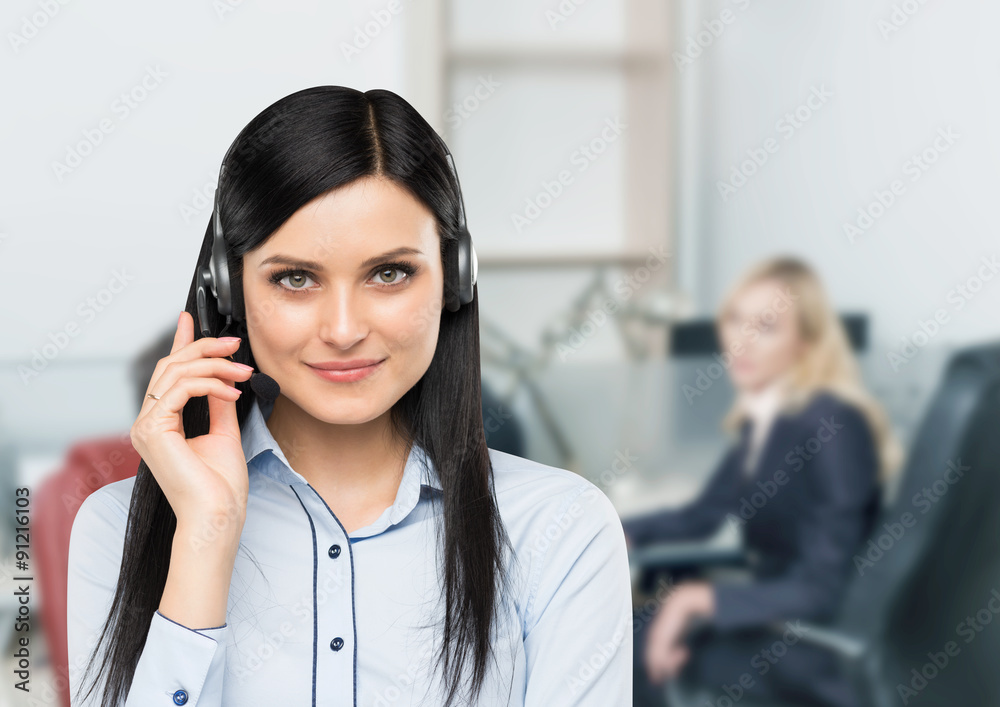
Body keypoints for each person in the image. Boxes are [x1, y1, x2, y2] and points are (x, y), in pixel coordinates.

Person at [67, 86, 632, 706]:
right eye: (295, 278)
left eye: (388, 273)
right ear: (228, 290)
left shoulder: (560, 529)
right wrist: (205, 537)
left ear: (454, 277)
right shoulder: (115, 532)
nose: (342, 330)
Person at [625, 257, 902, 707]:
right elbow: (701, 516)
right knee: (628, 634)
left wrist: (693, 600)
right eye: (735, 320)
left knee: (633, 652)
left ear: (807, 344)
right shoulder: (768, 419)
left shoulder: (833, 424)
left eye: (767, 326)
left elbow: (821, 586)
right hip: (775, 613)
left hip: (813, 641)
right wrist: (617, 530)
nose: (741, 341)